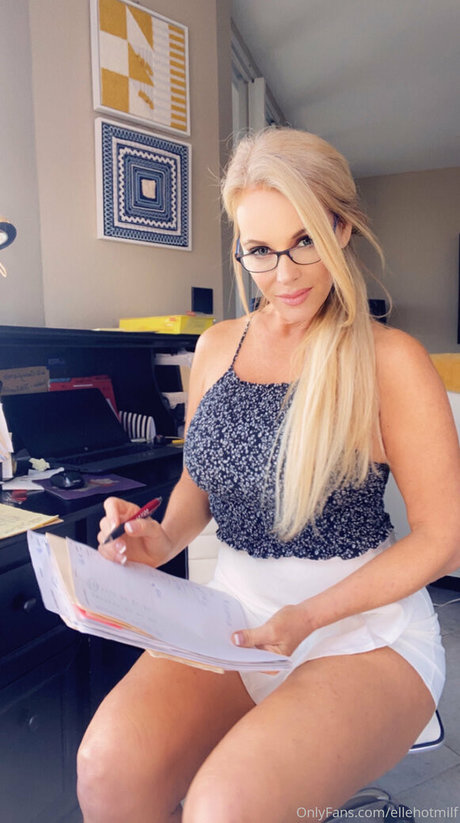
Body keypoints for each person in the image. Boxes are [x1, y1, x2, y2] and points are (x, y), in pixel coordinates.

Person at [77, 127, 460, 823]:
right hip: (235, 619)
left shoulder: (390, 359)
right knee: (108, 770)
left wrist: (307, 619)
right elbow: (200, 481)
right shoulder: (217, 347)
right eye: (260, 250)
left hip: (360, 632)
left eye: (305, 240)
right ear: (240, 249)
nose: (284, 274)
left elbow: (443, 539)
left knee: (227, 807)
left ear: (342, 228)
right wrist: (159, 538)